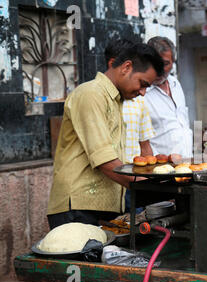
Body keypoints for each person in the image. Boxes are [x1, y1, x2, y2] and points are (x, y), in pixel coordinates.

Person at [47, 42, 164, 229]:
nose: (142, 93)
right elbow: (106, 161)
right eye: (143, 84)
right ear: (126, 67)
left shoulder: (115, 100)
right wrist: (156, 188)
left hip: (101, 207)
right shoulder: (91, 94)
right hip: (78, 208)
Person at [104, 39, 155, 214]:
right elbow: (100, 156)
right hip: (109, 184)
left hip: (135, 182)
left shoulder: (139, 102)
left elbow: (145, 145)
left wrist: (150, 180)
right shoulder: (95, 98)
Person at [144, 36, 193, 158]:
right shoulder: (140, 93)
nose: (160, 70)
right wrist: (159, 158)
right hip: (160, 169)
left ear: (173, 62)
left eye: (165, 64)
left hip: (187, 164)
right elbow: (137, 140)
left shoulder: (175, 84)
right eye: (155, 64)